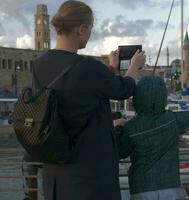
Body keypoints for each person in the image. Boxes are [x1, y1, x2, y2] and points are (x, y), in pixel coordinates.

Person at [31, 1, 145, 199]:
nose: (90, 33)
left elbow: (70, 103)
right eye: (90, 28)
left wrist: (110, 68)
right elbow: (124, 89)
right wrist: (134, 66)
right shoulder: (88, 66)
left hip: (55, 175)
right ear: (81, 29)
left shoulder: (39, 65)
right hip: (89, 175)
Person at [114, 76, 189, 200]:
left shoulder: (130, 128)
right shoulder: (171, 119)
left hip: (141, 188)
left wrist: (117, 128)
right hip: (170, 185)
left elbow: (121, 152)